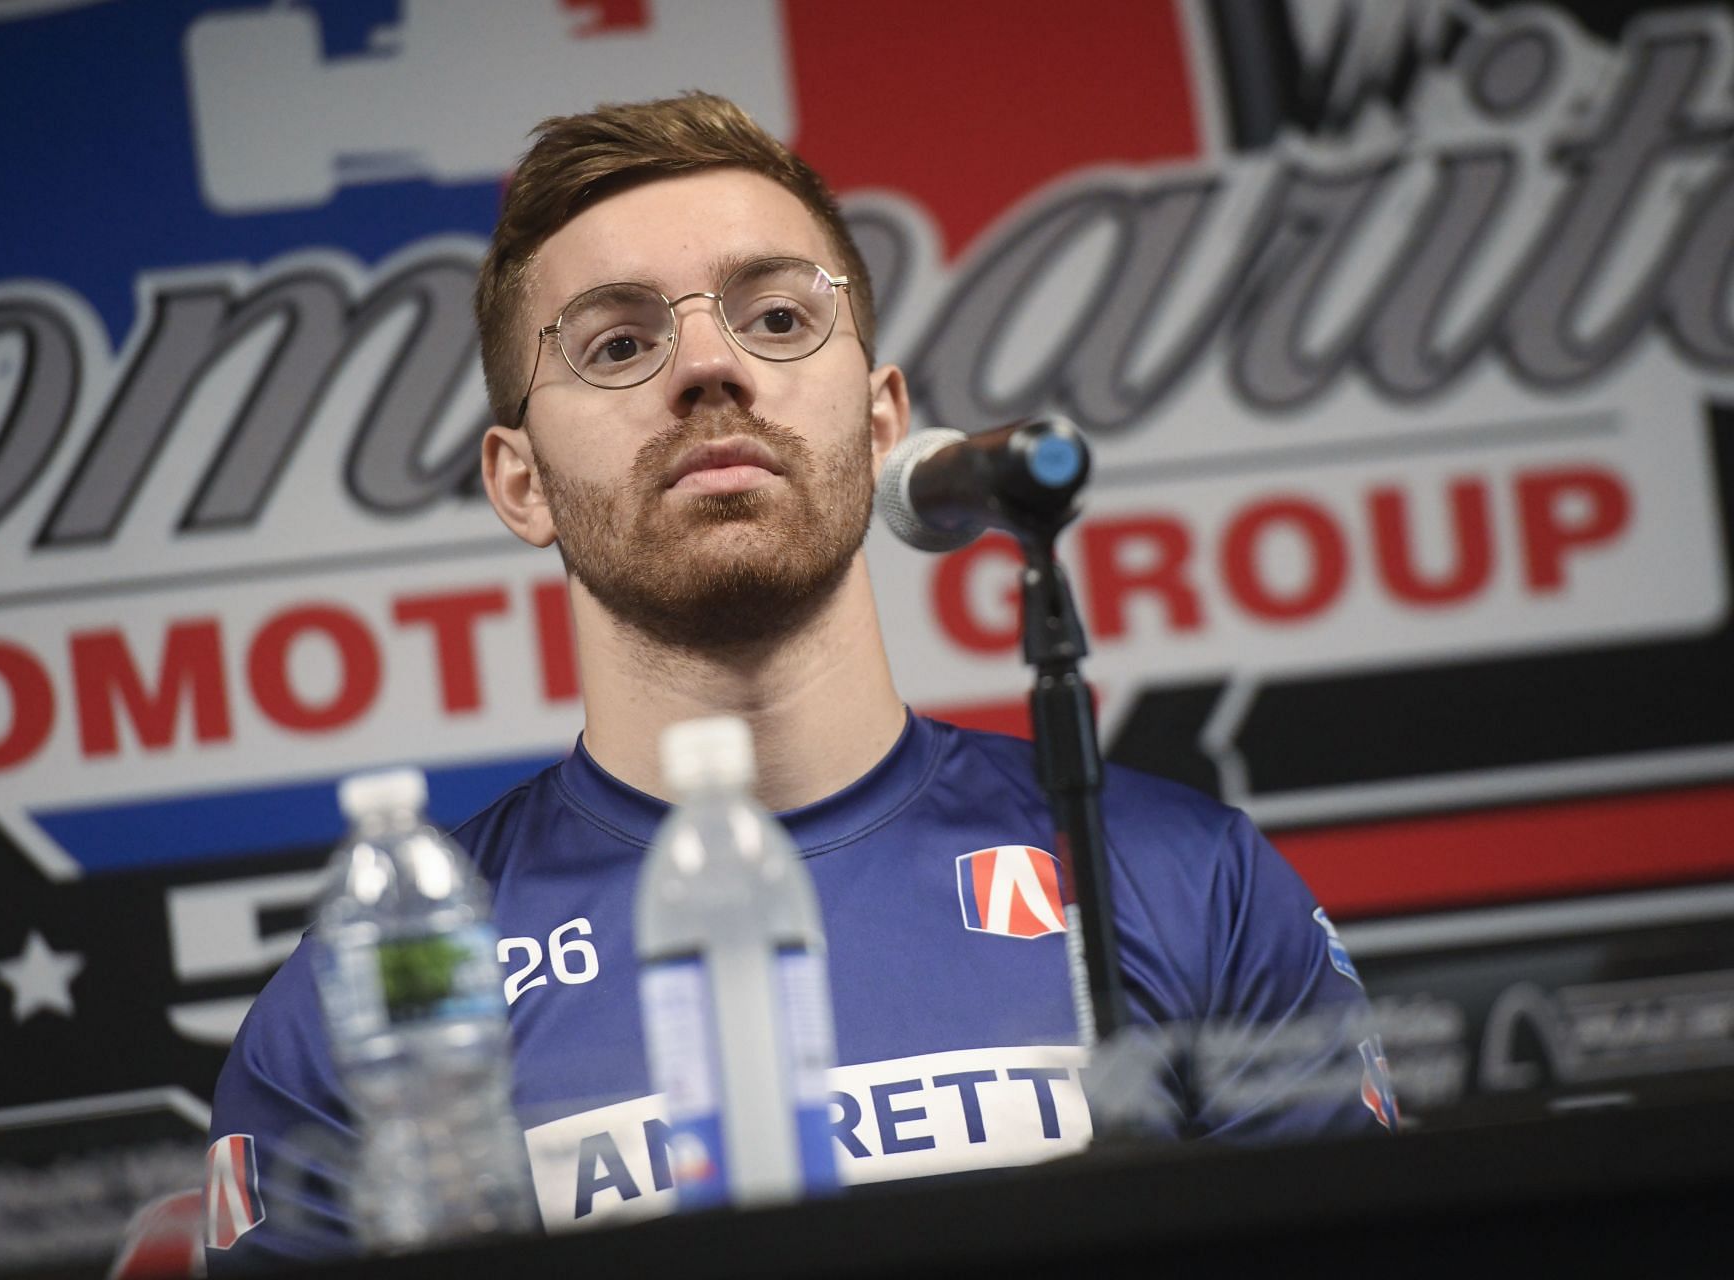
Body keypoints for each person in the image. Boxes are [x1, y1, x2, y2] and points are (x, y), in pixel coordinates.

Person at [203, 92, 1390, 1270]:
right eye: (617, 343)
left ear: (882, 422)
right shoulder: (369, 1000)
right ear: (520, 482)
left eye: (775, 316)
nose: (710, 366)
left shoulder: (1191, 883)